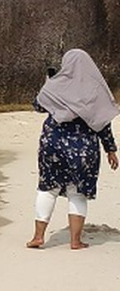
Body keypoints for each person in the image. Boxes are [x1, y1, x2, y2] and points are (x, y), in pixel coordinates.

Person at [26, 48, 119, 250]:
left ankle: (38, 237)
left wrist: (48, 82)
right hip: (84, 148)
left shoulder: (55, 84)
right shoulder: (96, 89)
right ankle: (75, 241)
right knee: (77, 193)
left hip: (53, 144)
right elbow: (103, 122)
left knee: (47, 189)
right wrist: (110, 149)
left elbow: (38, 105)